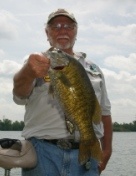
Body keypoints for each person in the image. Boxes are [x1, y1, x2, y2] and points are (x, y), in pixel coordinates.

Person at [13, 9, 112, 176]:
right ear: (47, 32)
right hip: (43, 153)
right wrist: (28, 72)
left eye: (69, 26)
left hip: (87, 157)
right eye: (56, 26)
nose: (62, 30)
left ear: (76, 31)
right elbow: (19, 95)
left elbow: (104, 112)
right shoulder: (35, 62)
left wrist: (107, 149)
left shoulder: (93, 69)